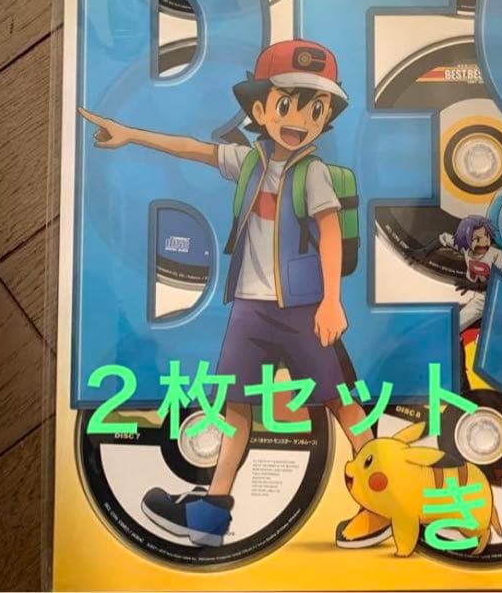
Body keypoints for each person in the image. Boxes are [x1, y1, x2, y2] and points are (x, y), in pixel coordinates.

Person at [78, 40, 391, 550]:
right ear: (260, 109)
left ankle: (382, 502)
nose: (301, 120)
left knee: (342, 403)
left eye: (316, 110)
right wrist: (131, 134)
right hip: (249, 308)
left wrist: (332, 301)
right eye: (287, 105)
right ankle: (211, 512)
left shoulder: (312, 172)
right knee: (235, 405)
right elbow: (192, 149)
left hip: (302, 310)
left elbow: (330, 233)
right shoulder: (249, 162)